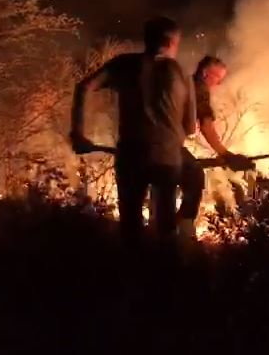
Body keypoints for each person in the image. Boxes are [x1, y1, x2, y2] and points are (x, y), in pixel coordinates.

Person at [69, 16, 196, 250]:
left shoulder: (124, 65)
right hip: (167, 159)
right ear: (172, 43)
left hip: (132, 154)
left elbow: (84, 87)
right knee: (166, 225)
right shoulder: (183, 74)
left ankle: (130, 275)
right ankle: (167, 277)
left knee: (130, 225)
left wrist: (78, 133)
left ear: (147, 40)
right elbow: (191, 128)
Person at [177, 55, 252, 241]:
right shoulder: (198, 89)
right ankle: (182, 234)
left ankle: (167, 229)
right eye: (217, 78)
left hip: (153, 141)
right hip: (167, 143)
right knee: (195, 177)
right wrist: (226, 154)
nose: (218, 84)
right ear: (205, 73)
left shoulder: (182, 84)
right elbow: (206, 126)